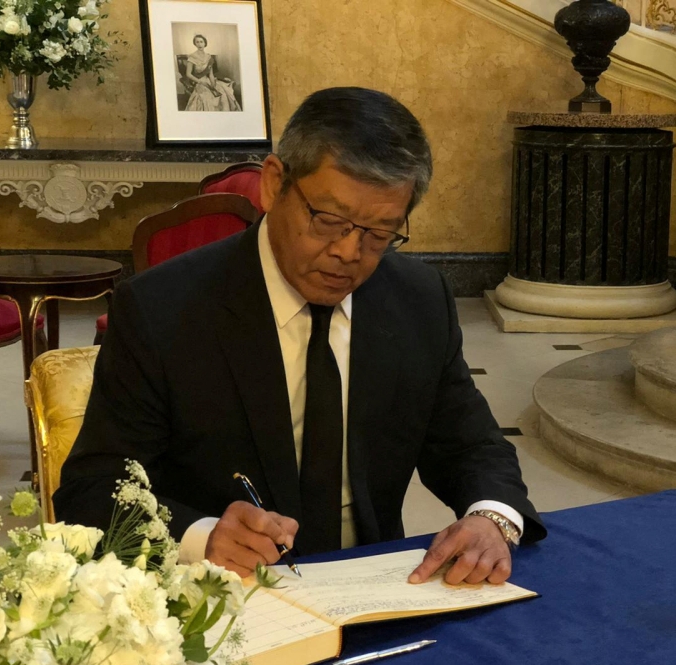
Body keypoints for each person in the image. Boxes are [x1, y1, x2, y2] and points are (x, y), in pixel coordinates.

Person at [54, 87, 545, 585]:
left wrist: (492, 517)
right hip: (223, 596)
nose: (349, 253)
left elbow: (471, 445)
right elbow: (91, 488)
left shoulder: (417, 300)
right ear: (273, 185)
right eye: (329, 221)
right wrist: (201, 535)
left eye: (379, 234)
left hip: (373, 588)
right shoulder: (163, 309)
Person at [182, 34, 240, 112]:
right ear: (195, 44)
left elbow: (210, 74)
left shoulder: (208, 57)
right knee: (206, 97)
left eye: (201, 42)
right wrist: (200, 82)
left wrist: (213, 84)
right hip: (198, 81)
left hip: (208, 80)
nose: (199, 44)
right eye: (197, 42)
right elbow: (188, 74)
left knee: (222, 92)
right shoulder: (192, 57)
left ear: (205, 43)